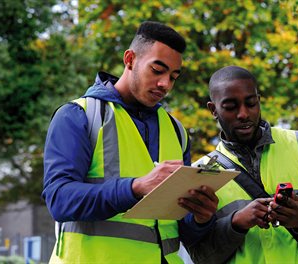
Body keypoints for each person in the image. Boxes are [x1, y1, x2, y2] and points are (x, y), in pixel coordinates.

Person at [42, 21, 218, 263]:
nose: (165, 84)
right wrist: (135, 187)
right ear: (130, 59)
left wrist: (201, 218)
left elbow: (179, 229)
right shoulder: (77, 116)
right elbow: (59, 200)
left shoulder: (177, 131)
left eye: (173, 77)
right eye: (157, 70)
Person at [183, 66, 298, 264]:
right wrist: (236, 223)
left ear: (259, 100)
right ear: (213, 109)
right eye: (231, 107)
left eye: (251, 103)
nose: (244, 114)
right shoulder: (201, 173)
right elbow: (201, 256)